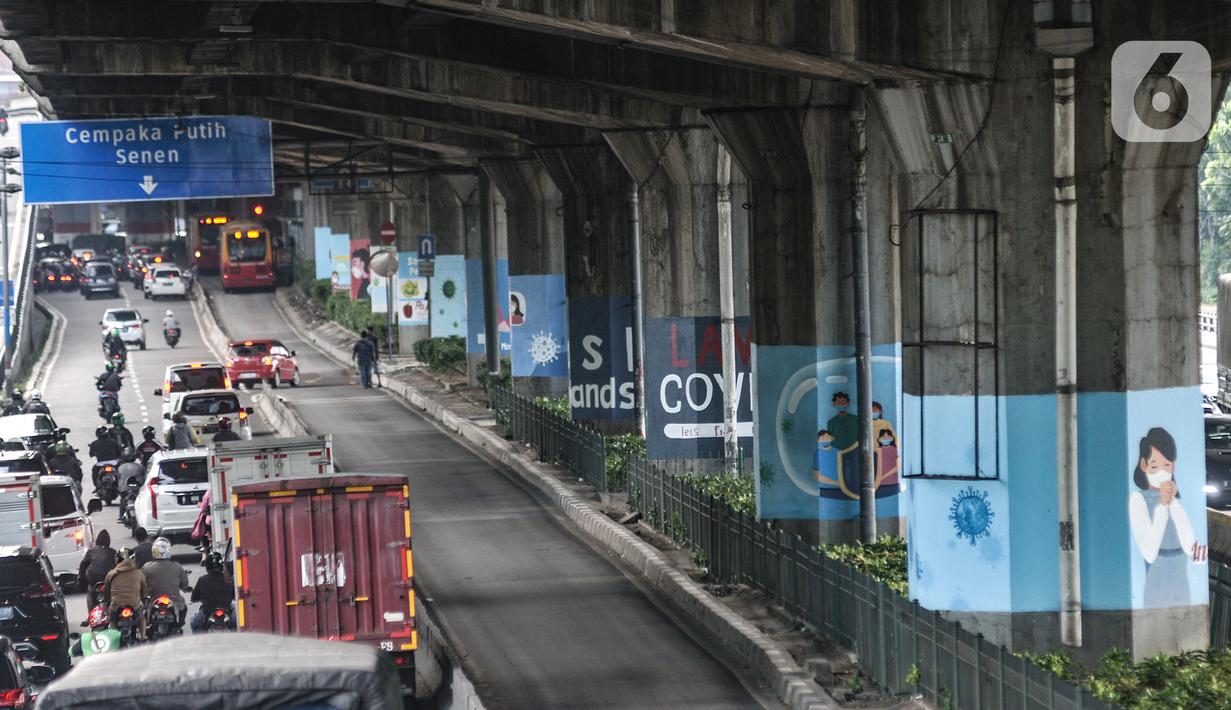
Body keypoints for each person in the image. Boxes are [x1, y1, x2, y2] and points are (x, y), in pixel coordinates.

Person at [1129, 427, 1207, 608]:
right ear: (1144, 465)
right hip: (1156, 584)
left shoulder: (1176, 502)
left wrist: (1173, 504)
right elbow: (1149, 552)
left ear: (1173, 466)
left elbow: (1190, 546)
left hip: (1182, 583)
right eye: (1155, 466)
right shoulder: (1138, 499)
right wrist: (1163, 507)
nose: (1162, 472)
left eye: (1167, 465)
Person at [142, 537, 190, 625]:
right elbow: (185, 584)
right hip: (174, 603)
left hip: (152, 602)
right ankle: (178, 625)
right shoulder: (177, 566)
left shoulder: (147, 567)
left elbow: (141, 583)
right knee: (183, 607)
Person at [103, 548, 147, 639]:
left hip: (116, 606)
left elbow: (106, 591)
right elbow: (144, 590)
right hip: (134, 605)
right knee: (141, 617)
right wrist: (143, 598)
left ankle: (113, 638)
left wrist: (107, 602)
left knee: (112, 620)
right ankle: (143, 637)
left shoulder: (111, 574)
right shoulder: (139, 573)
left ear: (118, 560)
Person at [190, 553, 235, 632]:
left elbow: (194, 597)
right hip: (227, 610)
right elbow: (235, 595)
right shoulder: (228, 579)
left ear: (207, 566)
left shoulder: (202, 580)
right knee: (237, 624)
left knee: (194, 623)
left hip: (207, 611)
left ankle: (198, 644)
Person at [77, 529, 116, 618]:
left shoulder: (91, 552)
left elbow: (83, 565)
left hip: (94, 581)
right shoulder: (113, 552)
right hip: (109, 581)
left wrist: (81, 577)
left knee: (90, 593)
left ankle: (90, 616)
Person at [116, 448, 144, 524]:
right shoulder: (140, 467)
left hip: (125, 490)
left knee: (122, 500)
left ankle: (121, 516)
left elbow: (117, 479)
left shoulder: (120, 467)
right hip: (137, 490)